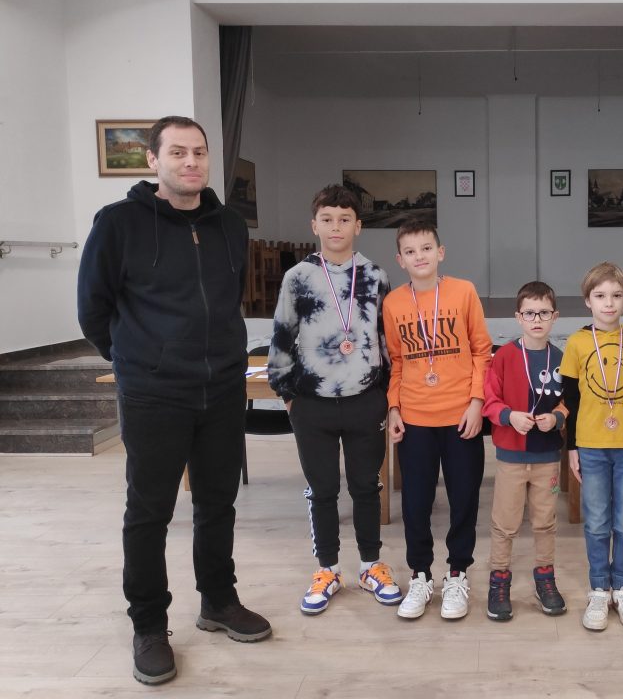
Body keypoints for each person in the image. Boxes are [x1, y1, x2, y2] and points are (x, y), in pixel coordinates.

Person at [77, 116, 271, 686]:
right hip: (153, 392)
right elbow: (93, 308)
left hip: (223, 387)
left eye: (200, 152)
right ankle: (148, 624)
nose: (191, 162)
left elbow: (229, 297)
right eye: (178, 152)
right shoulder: (118, 223)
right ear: (153, 160)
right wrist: (138, 359)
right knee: (150, 512)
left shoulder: (229, 224)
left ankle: (218, 599)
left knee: (218, 502)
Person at [266, 184, 401, 616]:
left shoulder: (376, 276)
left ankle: (370, 566)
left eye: (344, 219)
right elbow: (282, 334)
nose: (336, 227)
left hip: (365, 399)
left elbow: (388, 339)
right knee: (322, 489)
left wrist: (388, 394)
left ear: (358, 226)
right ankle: (327, 569)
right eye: (327, 219)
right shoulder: (298, 277)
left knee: (367, 486)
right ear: (314, 225)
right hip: (312, 402)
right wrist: (287, 394)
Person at [382, 219, 492, 620]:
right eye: (410, 251)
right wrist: (394, 407)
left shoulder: (463, 292)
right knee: (415, 502)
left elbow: (482, 350)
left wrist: (477, 402)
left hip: (461, 415)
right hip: (415, 417)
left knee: (464, 498)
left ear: (440, 252)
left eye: (426, 248)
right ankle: (420, 574)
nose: (419, 257)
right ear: (400, 260)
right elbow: (396, 360)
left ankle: (457, 573)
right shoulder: (393, 303)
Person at [559, 262, 623, 632]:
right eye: (600, 296)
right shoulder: (576, 343)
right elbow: (571, 399)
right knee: (598, 522)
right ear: (587, 300)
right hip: (591, 446)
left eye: (617, 296)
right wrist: (571, 447)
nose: (609, 303)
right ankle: (599, 589)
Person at [482, 281, 569, 621]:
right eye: (530, 313)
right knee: (505, 523)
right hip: (512, 458)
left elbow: (569, 402)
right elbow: (490, 400)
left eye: (544, 313)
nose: (537, 320)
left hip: (547, 458)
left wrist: (557, 418)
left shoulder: (561, 359)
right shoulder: (504, 356)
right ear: (518, 317)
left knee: (545, 522)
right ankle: (499, 579)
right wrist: (509, 416)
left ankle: (545, 578)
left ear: (555, 316)